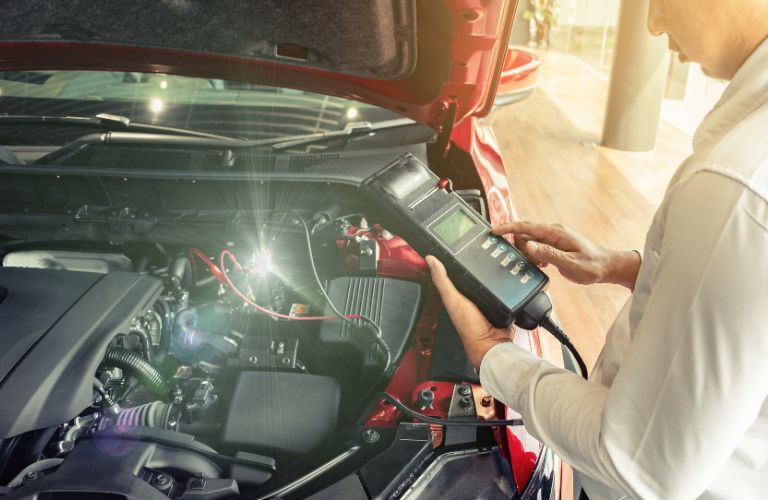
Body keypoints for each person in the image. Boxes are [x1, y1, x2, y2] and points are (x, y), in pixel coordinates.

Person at [425, 1, 768, 498]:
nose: (652, 22)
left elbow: (642, 463)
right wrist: (632, 268)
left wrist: (492, 353)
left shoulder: (735, 186)